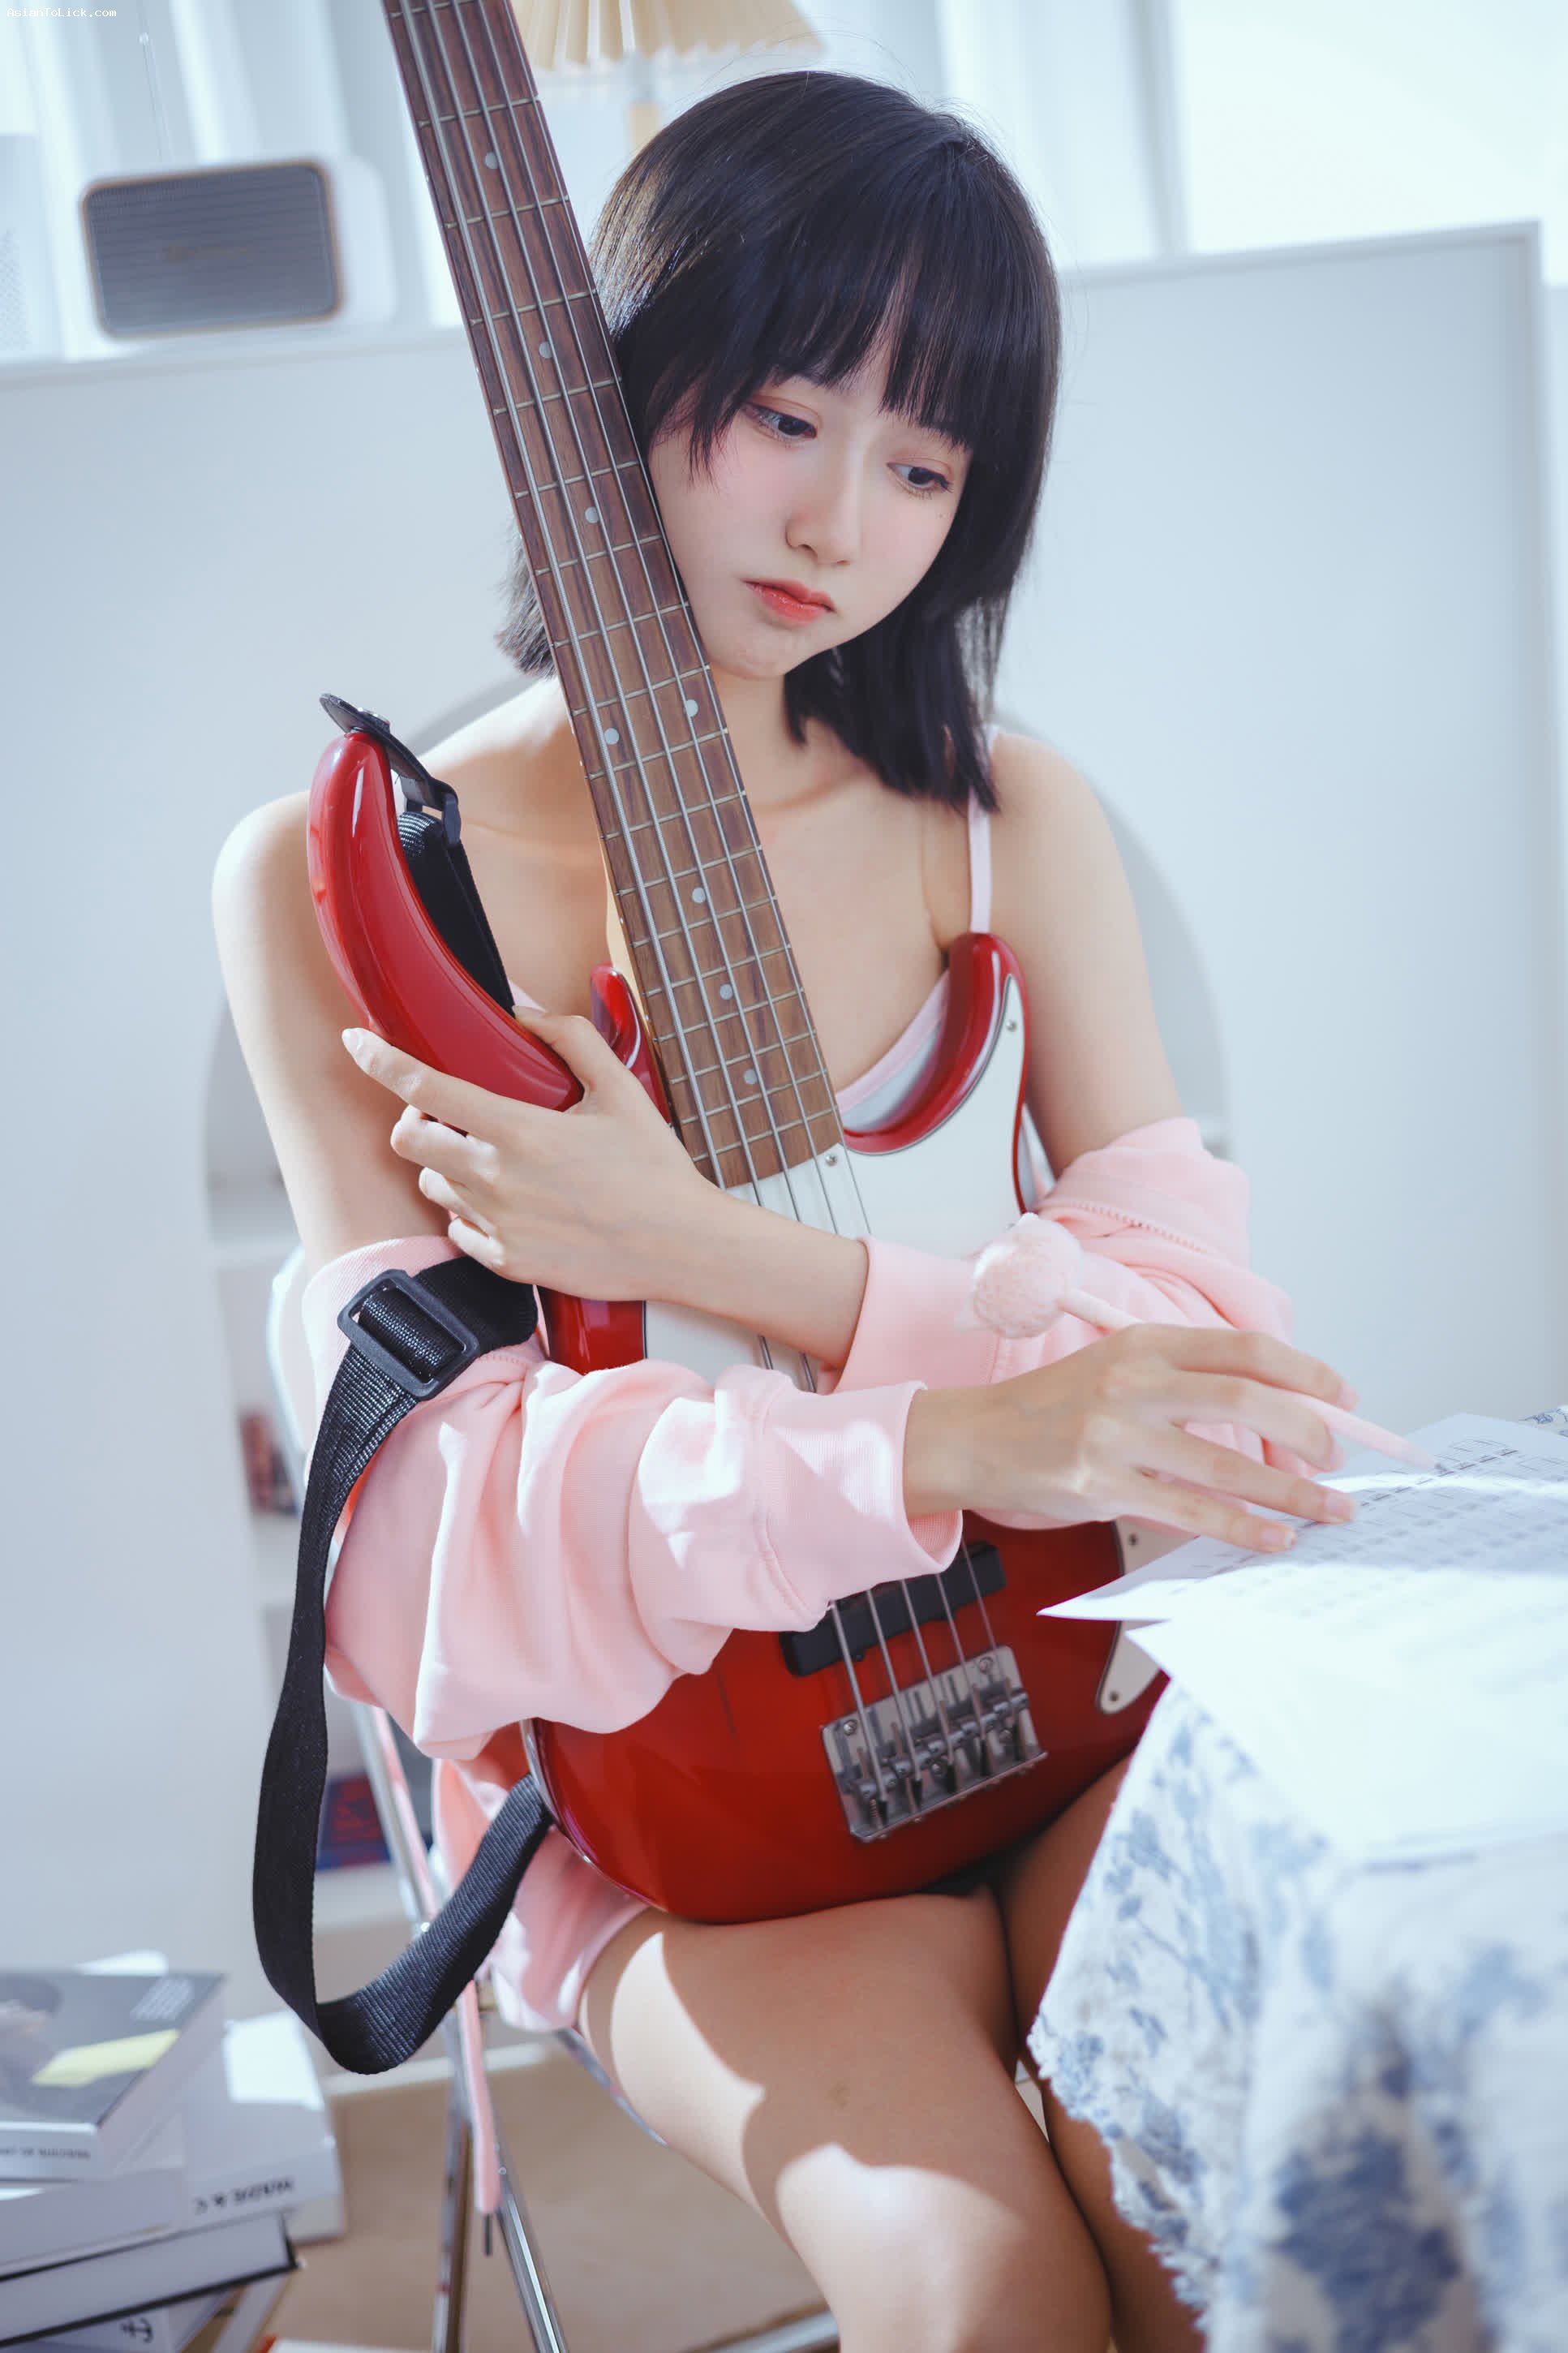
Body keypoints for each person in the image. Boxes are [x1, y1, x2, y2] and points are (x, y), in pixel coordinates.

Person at [215, 70, 1360, 2353]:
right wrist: (954, 1428)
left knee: (1255, 2206)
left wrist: (726, 1260)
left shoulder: (1001, 818)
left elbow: (1200, 1362)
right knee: (985, 2283)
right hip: (678, 1815)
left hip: (1059, 1688)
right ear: (623, 388)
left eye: (927, 466)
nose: (844, 522)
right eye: (786, 416)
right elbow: (435, 1538)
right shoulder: (345, 883)